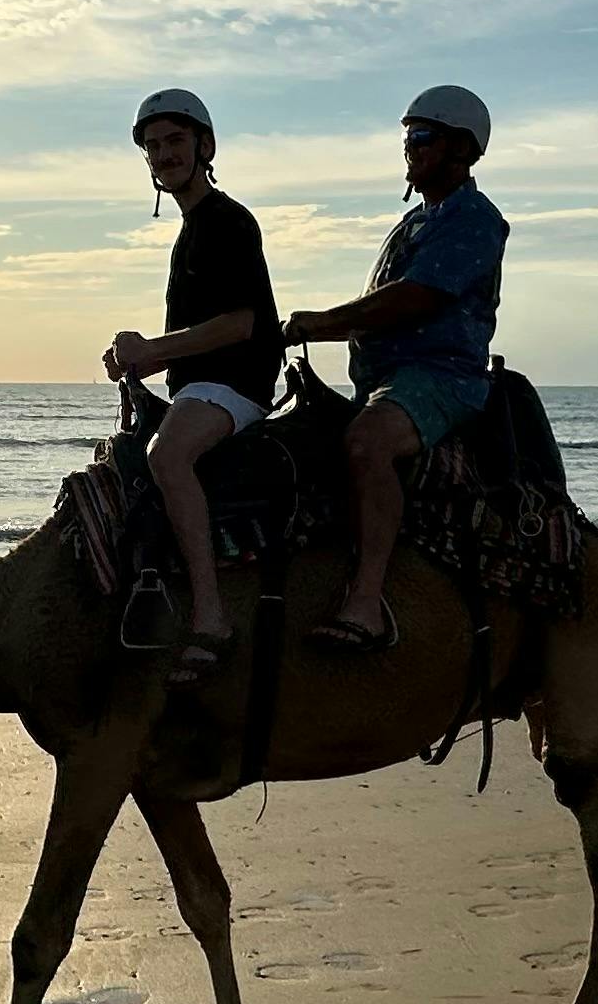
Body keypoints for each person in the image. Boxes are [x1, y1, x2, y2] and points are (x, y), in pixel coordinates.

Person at [277, 85, 505, 651]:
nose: (410, 149)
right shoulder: (411, 225)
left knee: (366, 444)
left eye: (422, 138)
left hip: (439, 378)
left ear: (462, 149)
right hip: (382, 381)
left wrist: (319, 323)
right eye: (407, 139)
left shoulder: (475, 219)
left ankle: (367, 601)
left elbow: (414, 298)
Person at [99, 88, 280, 685]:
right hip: (200, 386)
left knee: (168, 456)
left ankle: (210, 615)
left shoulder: (227, 222)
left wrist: (152, 352)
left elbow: (241, 324)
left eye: (174, 141)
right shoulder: (192, 229)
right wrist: (140, 355)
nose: (162, 155)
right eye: (153, 146)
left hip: (234, 383)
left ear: (204, 146)